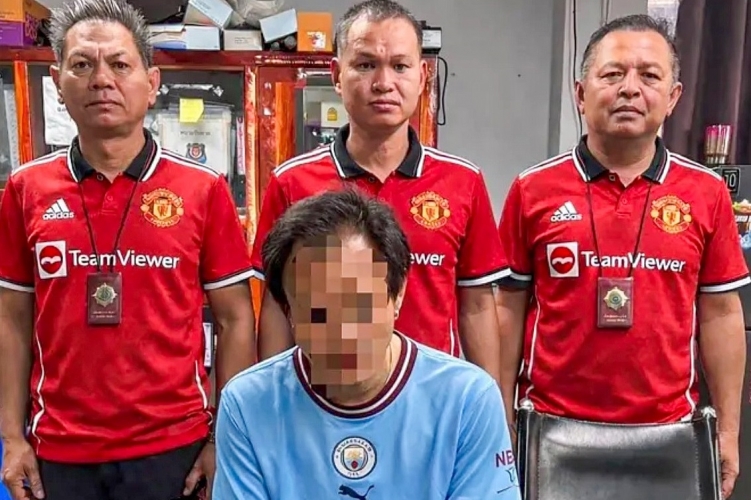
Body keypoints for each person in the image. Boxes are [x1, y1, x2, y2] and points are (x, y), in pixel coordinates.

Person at [0, 1, 256, 499]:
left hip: (175, 450)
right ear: (56, 82)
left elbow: (236, 319)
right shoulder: (25, 190)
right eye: (82, 64)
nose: (102, 80)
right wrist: (12, 437)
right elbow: (11, 320)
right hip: (60, 451)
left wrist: (221, 438)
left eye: (119, 64)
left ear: (152, 82)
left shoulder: (203, 189)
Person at [496, 14, 748, 498]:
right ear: (580, 93)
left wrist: (730, 431)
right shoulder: (533, 189)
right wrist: (500, 415)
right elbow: (506, 309)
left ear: (673, 97)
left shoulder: (706, 192)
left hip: (669, 436)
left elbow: (721, 313)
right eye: (612, 74)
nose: (630, 89)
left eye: (649, 76)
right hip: (552, 432)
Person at [250, 0, 508, 400]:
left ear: (422, 77)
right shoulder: (293, 182)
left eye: (400, 66)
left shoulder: (463, 182)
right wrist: (273, 402)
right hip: (322, 400)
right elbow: (277, 306)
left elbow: (476, 306)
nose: (384, 82)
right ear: (337, 75)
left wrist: (493, 406)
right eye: (366, 64)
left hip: (431, 402)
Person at [213, 189, 520, 500]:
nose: (343, 331)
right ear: (288, 311)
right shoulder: (248, 404)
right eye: (318, 311)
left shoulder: (467, 399)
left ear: (397, 294)